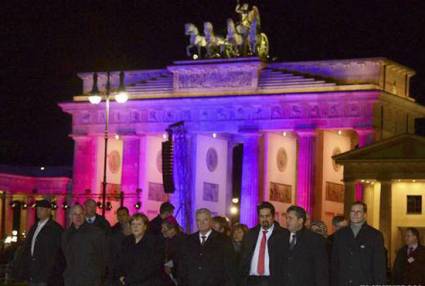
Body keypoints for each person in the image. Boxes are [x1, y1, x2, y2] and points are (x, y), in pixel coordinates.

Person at [331, 201, 386, 286]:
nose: (355, 214)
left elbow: (379, 266)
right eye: (352, 211)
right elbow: (334, 263)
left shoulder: (375, 235)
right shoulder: (340, 235)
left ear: (365, 215)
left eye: (358, 212)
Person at [178, 208, 236, 286]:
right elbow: (182, 267)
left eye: (205, 219)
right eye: (198, 220)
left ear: (211, 221)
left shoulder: (224, 241)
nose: (202, 223)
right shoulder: (188, 240)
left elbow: (229, 269)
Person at [13, 199, 64, 286]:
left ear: (48, 211)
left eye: (41, 209)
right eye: (37, 209)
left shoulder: (55, 229)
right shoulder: (35, 226)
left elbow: (58, 252)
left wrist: (50, 270)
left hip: (46, 274)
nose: (38, 211)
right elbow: (27, 248)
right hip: (33, 271)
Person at [240, 202, 288, 286]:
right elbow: (243, 258)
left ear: (273, 217)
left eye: (267, 216)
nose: (264, 219)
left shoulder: (284, 235)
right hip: (251, 281)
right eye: (262, 216)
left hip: (272, 281)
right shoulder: (250, 234)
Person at [62, 204, 109, 286]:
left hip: (90, 280)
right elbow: (65, 257)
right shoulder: (66, 234)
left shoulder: (96, 233)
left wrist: (98, 277)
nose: (78, 217)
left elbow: (104, 257)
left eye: (81, 214)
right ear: (70, 216)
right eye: (75, 214)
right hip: (71, 280)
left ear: (84, 215)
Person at [282, 205, 328, 286]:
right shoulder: (280, 238)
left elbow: (321, 270)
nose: (287, 221)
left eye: (290, 218)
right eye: (286, 218)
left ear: (300, 220)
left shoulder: (315, 240)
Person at [118, 213, 163, 286]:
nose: (135, 227)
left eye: (139, 224)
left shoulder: (153, 242)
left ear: (145, 227)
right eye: (133, 224)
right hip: (127, 282)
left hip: (147, 282)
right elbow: (120, 261)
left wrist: (128, 279)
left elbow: (152, 267)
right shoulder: (126, 241)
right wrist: (121, 276)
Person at [108, 207, 131, 285]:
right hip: (118, 268)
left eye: (123, 215)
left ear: (128, 215)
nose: (121, 217)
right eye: (119, 215)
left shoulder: (135, 229)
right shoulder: (113, 231)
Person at [161, 216, 186, 286]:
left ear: (172, 229)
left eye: (164, 229)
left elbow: (182, 258)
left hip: (180, 276)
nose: (162, 231)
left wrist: (170, 267)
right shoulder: (167, 239)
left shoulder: (183, 240)